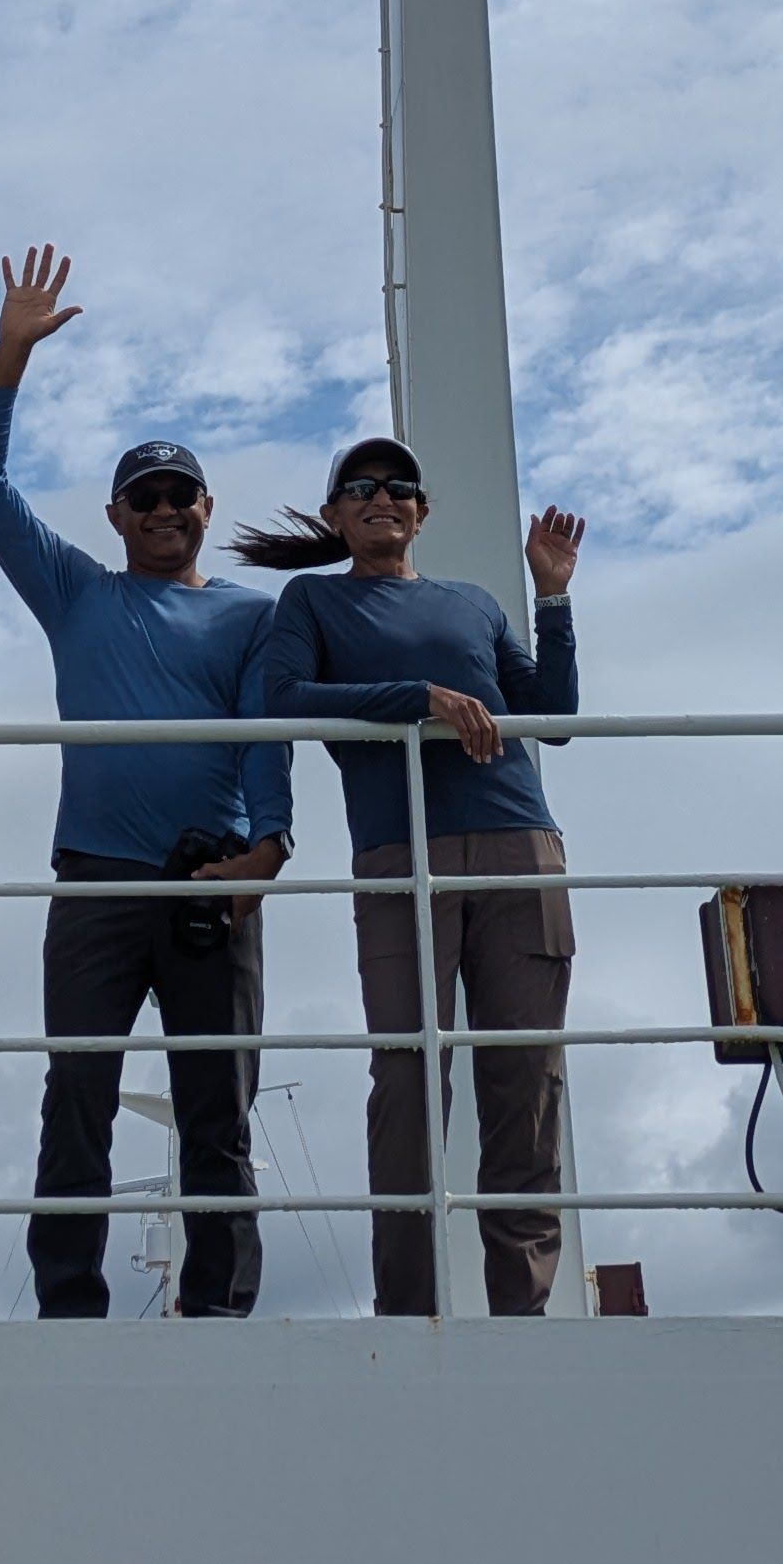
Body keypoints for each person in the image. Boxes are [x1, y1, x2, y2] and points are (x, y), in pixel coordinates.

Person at [0, 248, 295, 1321]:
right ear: (113, 515)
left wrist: (269, 851)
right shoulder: (75, 592)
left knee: (217, 1109)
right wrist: (10, 351)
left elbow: (267, 737)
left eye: (177, 494)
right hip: (96, 881)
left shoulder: (251, 616)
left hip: (212, 883)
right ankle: (69, 1306)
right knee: (77, 1100)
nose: (161, 510)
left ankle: (219, 1312)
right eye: (141, 496)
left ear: (205, 506)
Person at [239, 443, 585, 1319]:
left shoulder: (472, 602)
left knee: (525, 1076)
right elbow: (281, 697)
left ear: (422, 512)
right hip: (401, 854)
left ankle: (524, 1315)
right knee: (405, 1075)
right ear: (335, 516)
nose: (382, 498)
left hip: (518, 841)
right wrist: (418, 698)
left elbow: (557, 718)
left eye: (400, 488)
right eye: (361, 488)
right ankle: (410, 1311)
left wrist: (552, 597)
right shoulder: (312, 598)